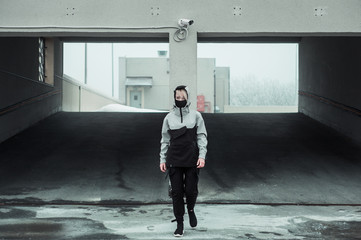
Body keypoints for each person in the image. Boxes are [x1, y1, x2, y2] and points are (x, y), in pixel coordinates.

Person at [159, 85, 208, 237]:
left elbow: (201, 136)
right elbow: (164, 140)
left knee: (191, 191)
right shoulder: (168, 118)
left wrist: (202, 156)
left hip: (192, 158)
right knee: (177, 192)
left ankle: (191, 210)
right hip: (174, 159)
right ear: (174, 98)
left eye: (183, 97)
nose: (180, 100)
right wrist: (162, 159)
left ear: (187, 98)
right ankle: (180, 224)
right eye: (177, 97)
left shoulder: (196, 116)